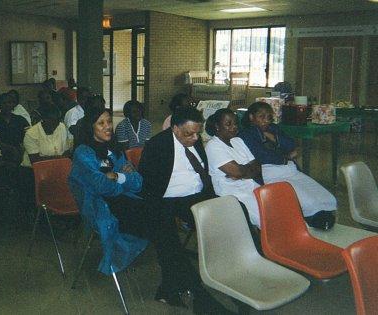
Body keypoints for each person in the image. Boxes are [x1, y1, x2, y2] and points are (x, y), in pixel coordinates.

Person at [138, 106, 233, 314]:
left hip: (195, 196)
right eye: (188, 133)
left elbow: (203, 174)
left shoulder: (195, 140)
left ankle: (237, 270)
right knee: (168, 240)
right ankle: (199, 295)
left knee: (235, 211)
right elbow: (148, 187)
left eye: (197, 133)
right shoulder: (157, 145)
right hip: (164, 200)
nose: (194, 138)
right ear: (174, 128)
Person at [68, 107, 148, 276]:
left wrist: (117, 176)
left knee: (154, 211)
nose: (108, 127)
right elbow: (101, 187)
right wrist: (124, 178)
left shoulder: (115, 150)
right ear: (91, 127)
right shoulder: (83, 152)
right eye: (101, 123)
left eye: (109, 122)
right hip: (99, 205)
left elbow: (138, 182)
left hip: (121, 200)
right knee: (153, 221)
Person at [240, 101, 337, 230]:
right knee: (308, 201)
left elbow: (291, 144)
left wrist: (272, 137)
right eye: (261, 117)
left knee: (326, 197)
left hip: (291, 171)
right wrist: (286, 157)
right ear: (251, 117)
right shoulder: (245, 134)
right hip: (272, 174)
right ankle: (310, 221)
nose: (265, 121)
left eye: (268, 117)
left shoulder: (273, 128)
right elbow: (262, 155)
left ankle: (320, 217)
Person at [205, 109, 262, 228]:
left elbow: (257, 167)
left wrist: (241, 173)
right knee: (266, 219)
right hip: (232, 194)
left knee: (279, 210)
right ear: (217, 126)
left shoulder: (238, 141)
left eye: (236, 123)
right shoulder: (213, 146)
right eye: (228, 124)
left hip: (252, 186)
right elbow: (237, 171)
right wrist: (243, 171)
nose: (234, 127)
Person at [0, 93, 29, 165]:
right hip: (0, 154)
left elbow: (29, 136)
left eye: (10, 102)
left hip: (20, 152)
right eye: (4, 103)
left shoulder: (21, 119)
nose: (7, 105)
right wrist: (10, 149)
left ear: (14, 104)